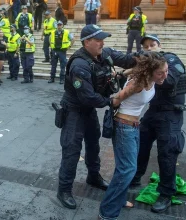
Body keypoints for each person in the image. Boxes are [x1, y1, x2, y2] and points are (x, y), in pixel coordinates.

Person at [57, 24, 137, 210]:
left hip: (89, 111)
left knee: (93, 144)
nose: (102, 42)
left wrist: (150, 57)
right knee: (72, 150)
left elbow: (127, 59)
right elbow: (88, 97)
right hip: (74, 111)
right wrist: (113, 100)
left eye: (103, 39)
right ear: (86, 42)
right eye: (98, 39)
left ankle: (94, 177)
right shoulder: (79, 64)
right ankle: (64, 190)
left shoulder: (105, 53)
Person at [98, 52, 168, 220]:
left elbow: (135, 69)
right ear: (151, 72)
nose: (165, 75)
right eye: (161, 73)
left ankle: (120, 199)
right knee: (127, 169)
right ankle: (106, 213)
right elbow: (115, 100)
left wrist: (123, 73)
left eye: (166, 70)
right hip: (124, 126)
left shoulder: (148, 76)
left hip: (134, 125)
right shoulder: (138, 83)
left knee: (126, 167)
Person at [131, 34, 186, 213]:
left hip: (171, 113)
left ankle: (166, 193)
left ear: (159, 45)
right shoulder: (147, 64)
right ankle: (135, 178)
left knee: (167, 153)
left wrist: (146, 71)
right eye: (146, 46)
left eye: (152, 45)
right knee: (140, 145)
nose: (149, 48)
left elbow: (168, 81)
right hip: (153, 111)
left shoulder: (171, 59)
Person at [48, 20, 74, 84]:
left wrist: (69, 46)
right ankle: (52, 78)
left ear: (62, 25)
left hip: (62, 51)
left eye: (60, 25)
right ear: (56, 26)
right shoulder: (53, 32)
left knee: (62, 66)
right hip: (55, 50)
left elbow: (72, 39)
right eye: (58, 25)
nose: (59, 26)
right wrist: (51, 46)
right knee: (53, 65)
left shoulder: (66, 32)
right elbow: (49, 39)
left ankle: (62, 79)